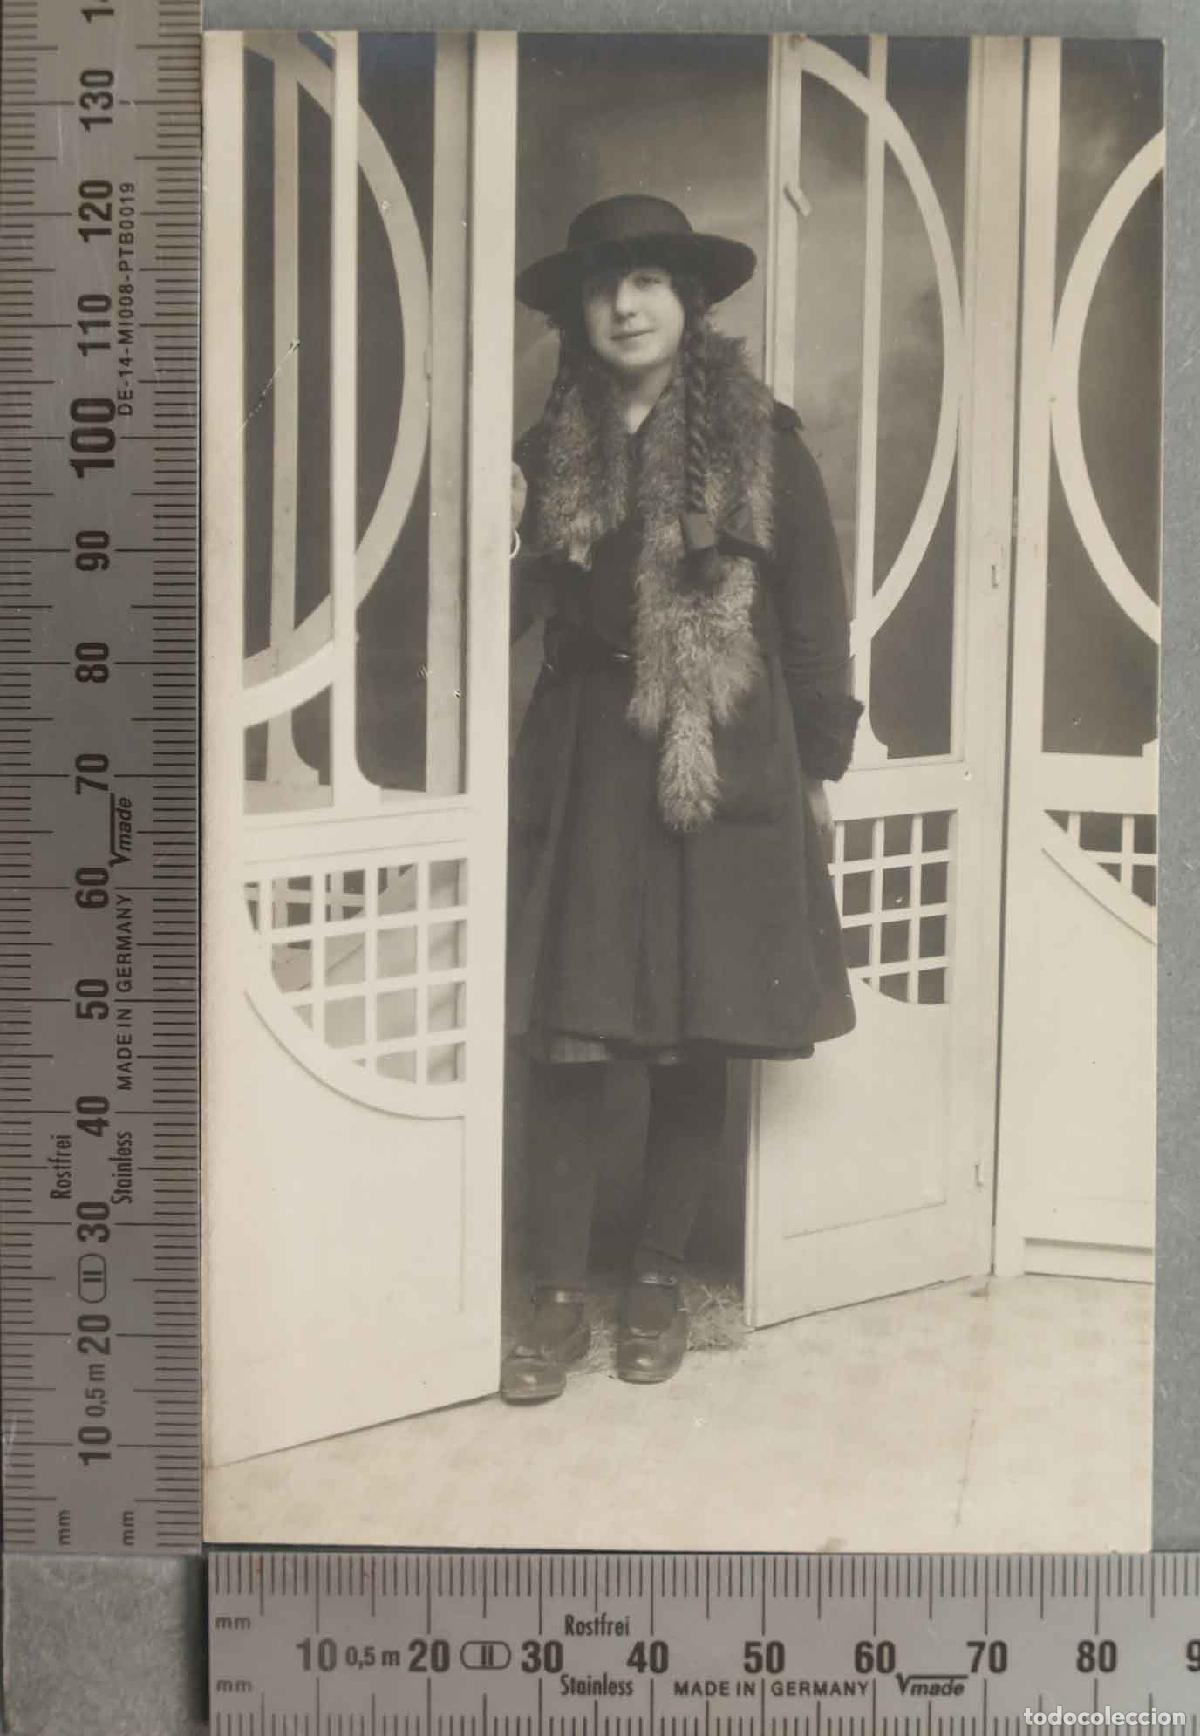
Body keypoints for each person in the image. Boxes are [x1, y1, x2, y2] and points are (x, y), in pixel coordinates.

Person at [502, 194, 862, 1404]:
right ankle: (556, 1290)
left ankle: (655, 1275)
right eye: (605, 285)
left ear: (689, 300)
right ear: (578, 313)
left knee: (697, 1025)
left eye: (650, 279)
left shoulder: (762, 439)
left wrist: (817, 765)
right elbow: (502, 604)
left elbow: (813, 618)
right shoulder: (547, 450)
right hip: (590, 751)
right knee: (572, 1025)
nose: (627, 303)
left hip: (729, 751)